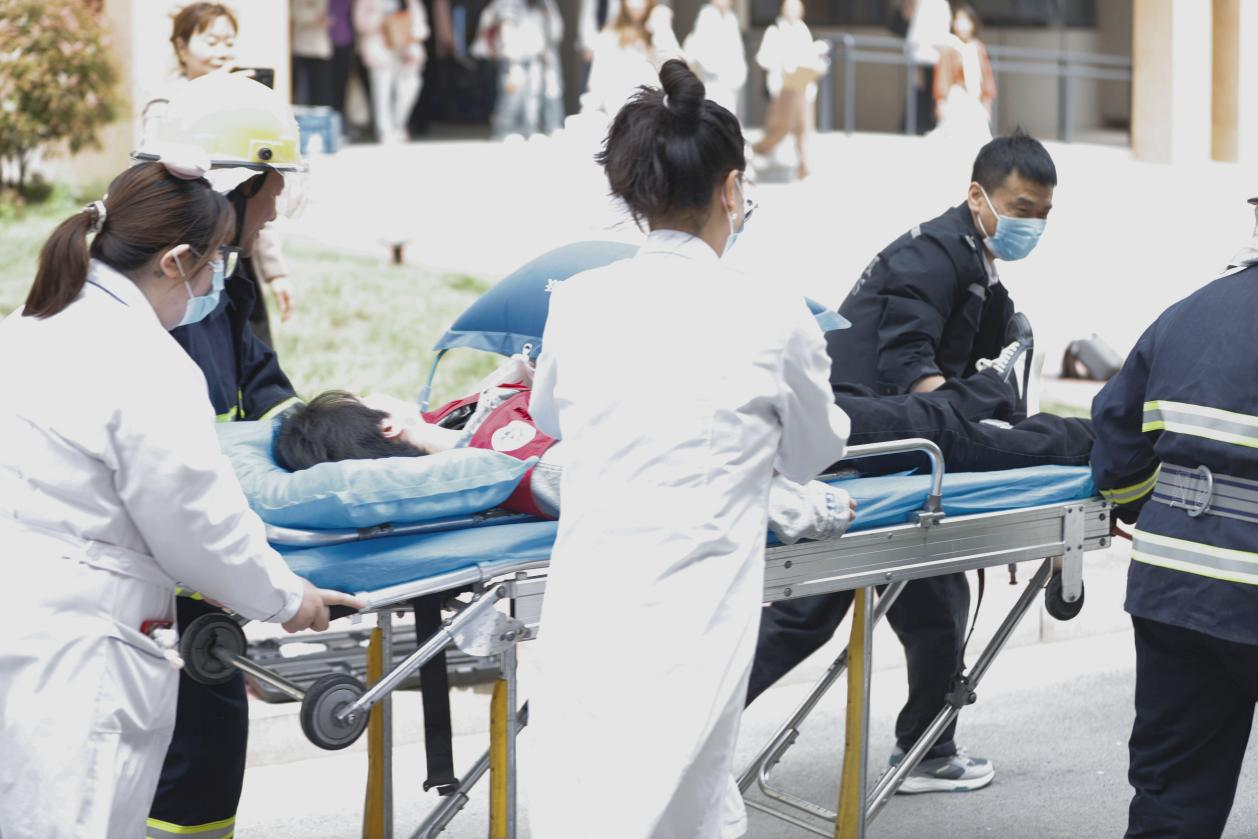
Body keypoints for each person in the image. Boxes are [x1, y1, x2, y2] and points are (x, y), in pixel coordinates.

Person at [522, 58, 849, 838]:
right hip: (694, 610)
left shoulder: (580, 301)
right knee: (680, 801)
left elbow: (549, 413)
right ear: (732, 188)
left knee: (582, 797)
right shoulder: (773, 313)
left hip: (591, 601)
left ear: (636, 193)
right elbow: (814, 453)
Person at [0, 160, 361, 839]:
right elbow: (196, 524)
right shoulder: (146, 362)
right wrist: (288, 598)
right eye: (216, 263)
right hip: (81, 648)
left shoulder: (31, 324)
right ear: (175, 262)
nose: (216, 281)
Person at [752, 131, 1058, 796]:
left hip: (884, 453)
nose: (1031, 224)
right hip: (858, 451)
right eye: (1021, 209)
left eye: (1042, 213)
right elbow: (913, 375)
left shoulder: (970, 261)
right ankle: (687, 730)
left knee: (936, 600)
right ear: (977, 196)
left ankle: (928, 746)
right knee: (810, 615)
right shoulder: (929, 258)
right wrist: (977, 419)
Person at [137, 71, 313, 838]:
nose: (275, 208)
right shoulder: (145, 312)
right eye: (272, 189)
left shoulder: (219, 288)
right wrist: (279, 593)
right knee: (178, 767)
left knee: (206, 758)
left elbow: (265, 392)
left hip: (200, 586)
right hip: (160, 585)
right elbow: (175, 484)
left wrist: (342, 438)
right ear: (234, 187)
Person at [1090, 200, 1258, 839]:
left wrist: (1155, 507)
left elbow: (1117, 454)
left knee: (1173, 803)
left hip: (1175, 586)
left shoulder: (1186, 314)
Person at [142, 2, 300, 337]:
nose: (222, 51)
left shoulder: (244, 104)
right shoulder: (166, 105)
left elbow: (258, 195)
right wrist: (214, 96)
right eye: (211, 41)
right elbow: (155, 175)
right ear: (181, 46)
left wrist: (275, 272)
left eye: (228, 42)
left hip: (236, 253)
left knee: (248, 347)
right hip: (187, 257)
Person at [752, 0, 828, 179]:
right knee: (781, 127)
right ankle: (758, 150)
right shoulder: (775, 32)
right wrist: (781, 61)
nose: (793, 12)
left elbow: (808, 57)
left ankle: (803, 165)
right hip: (783, 89)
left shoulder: (802, 30)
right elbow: (763, 58)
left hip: (802, 88)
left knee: (803, 127)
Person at [472, 0, 564, 138]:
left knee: (533, 98)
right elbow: (506, 24)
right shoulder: (511, 3)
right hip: (516, 57)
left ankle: (529, 130)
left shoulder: (544, 4)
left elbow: (552, 28)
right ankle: (504, 132)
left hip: (536, 56)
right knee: (512, 97)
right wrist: (511, 57)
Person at [580, 0, 682, 118]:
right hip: (619, 116)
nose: (636, 4)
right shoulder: (609, 36)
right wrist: (587, 114)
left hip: (654, 116)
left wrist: (663, 30)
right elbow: (596, 86)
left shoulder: (657, 33)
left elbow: (677, 70)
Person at [355, 0, 429, 143]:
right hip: (379, 49)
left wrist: (410, 39)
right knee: (382, 90)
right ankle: (385, 130)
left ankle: (398, 124)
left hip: (406, 51)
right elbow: (360, 23)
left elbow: (421, 26)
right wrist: (382, 21)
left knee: (410, 86)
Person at [931, 3, 996, 153]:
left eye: (966, 20)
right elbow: (943, 75)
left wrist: (987, 99)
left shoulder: (977, 48)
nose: (962, 25)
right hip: (956, 100)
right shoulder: (949, 47)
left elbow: (986, 75)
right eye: (959, 20)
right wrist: (941, 100)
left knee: (979, 144)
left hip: (974, 100)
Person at [682, 0, 747, 117]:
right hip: (711, 83)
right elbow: (705, 59)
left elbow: (737, 54)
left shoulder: (731, 18)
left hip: (730, 84)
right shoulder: (706, 16)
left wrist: (737, 77)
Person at [899, 0, 951, 134]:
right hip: (925, 57)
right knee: (922, 93)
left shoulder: (936, 4)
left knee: (927, 94)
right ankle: (919, 127)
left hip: (930, 57)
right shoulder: (933, 4)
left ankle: (922, 127)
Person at [292, 0, 334, 107]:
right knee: (303, 92)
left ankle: (320, 114)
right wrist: (315, 18)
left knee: (321, 90)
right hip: (303, 49)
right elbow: (296, 14)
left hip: (320, 50)